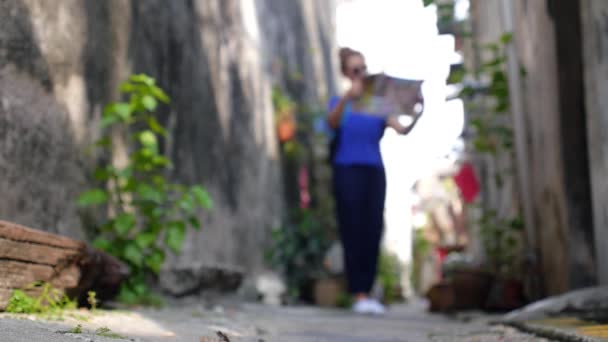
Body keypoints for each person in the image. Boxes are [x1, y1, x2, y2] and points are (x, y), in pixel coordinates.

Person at [327, 47, 422, 315]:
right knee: (352, 229)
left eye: (364, 69)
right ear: (346, 73)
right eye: (355, 70)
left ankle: (366, 292)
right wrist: (348, 97)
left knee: (372, 228)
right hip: (346, 170)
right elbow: (331, 124)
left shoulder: (378, 107)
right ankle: (356, 292)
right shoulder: (340, 102)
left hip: (374, 171)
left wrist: (418, 111)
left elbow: (402, 129)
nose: (361, 74)